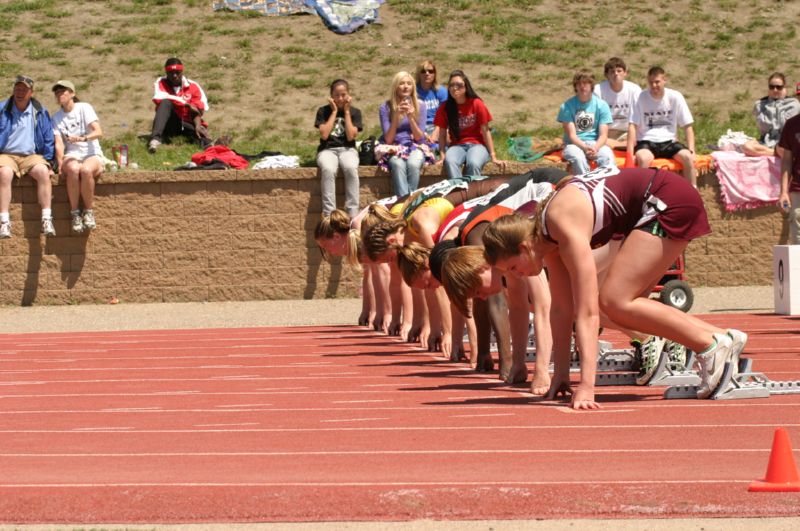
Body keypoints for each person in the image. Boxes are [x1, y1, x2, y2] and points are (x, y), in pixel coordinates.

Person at [480, 166, 748, 409]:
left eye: (514, 268)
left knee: (612, 301)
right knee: (619, 302)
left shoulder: (561, 224)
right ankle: (722, 337)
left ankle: (709, 346)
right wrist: (560, 374)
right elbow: (561, 310)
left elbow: (586, 313)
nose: (518, 276)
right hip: (658, 201)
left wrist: (587, 386)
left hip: (666, 200)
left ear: (524, 247)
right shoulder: (548, 242)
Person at [0, 75, 56, 239]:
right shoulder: (2, 109)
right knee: (4, 174)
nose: (20, 92)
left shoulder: (40, 111)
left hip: (31, 155)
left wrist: (49, 162)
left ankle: (46, 219)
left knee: (43, 172)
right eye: (17, 88)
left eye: (24, 89)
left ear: (31, 92)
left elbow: (48, 138)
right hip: (6, 154)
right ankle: (4, 222)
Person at [627, 66, 696, 186]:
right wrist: (630, 154)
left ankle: (693, 191)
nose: (654, 86)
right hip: (646, 141)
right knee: (643, 159)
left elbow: (688, 126)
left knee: (688, 157)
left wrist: (692, 150)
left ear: (665, 80)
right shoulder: (640, 97)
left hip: (669, 141)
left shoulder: (675, 96)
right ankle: (641, 193)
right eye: (651, 82)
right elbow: (632, 125)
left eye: (657, 82)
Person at [51, 80, 103, 234]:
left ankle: (88, 211)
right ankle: (75, 213)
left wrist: (83, 138)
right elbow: (59, 144)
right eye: (57, 92)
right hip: (72, 154)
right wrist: (60, 165)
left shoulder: (84, 108)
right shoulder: (56, 118)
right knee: (73, 169)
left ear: (72, 93)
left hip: (91, 153)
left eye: (63, 91)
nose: (59, 94)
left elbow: (98, 132)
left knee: (86, 170)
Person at [435, 70, 506, 180]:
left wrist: (493, 156)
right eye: (451, 85)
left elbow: (486, 131)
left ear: (466, 86)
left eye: (459, 85)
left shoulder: (476, 103)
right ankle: (459, 191)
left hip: (478, 145)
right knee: (450, 161)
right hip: (457, 145)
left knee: (473, 163)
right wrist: (442, 155)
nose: (455, 88)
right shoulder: (445, 107)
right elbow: (442, 133)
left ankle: (472, 193)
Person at [376, 71, 433, 197]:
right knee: (397, 164)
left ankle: (405, 204)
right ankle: (407, 203)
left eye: (409, 83)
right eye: (402, 83)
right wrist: (396, 117)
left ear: (413, 87)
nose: (406, 86)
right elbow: (389, 140)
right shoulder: (385, 107)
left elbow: (419, 138)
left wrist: (411, 117)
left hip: (415, 146)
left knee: (413, 164)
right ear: (396, 87)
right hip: (394, 146)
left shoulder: (420, 105)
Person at [315, 79, 362, 218]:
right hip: (327, 150)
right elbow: (324, 135)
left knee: (350, 168)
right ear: (331, 96)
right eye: (337, 95)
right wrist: (334, 112)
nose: (340, 98)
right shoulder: (323, 111)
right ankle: (329, 214)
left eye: (343, 94)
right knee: (329, 169)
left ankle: (353, 212)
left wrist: (346, 113)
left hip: (347, 149)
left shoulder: (355, 112)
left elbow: (350, 136)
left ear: (348, 95)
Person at [557, 70, 615, 175]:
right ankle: (584, 184)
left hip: (595, 143)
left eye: (586, 83)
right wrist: (584, 148)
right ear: (575, 86)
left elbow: (603, 135)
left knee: (608, 156)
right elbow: (572, 136)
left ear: (591, 85)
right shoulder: (566, 106)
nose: (583, 86)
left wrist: (595, 148)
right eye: (579, 83)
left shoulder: (602, 105)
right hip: (573, 144)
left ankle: (607, 184)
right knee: (578, 158)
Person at [148, 57, 211, 153]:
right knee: (165, 103)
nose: (174, 76)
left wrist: (198, 125)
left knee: (200, 133)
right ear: (166, 73)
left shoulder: (193, 86)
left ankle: (210, 146)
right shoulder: (161, 82)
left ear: (182, 71)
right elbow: (159, 97)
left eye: (177, 72)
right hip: (170, 123)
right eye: (171, 73)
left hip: (186, 123)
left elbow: (199, 109)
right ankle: (155, 140)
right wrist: (186, 104)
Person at [742, 73, 800, 158]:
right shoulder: (760, 104)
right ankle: (773, 153)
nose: (775, 90)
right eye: (771, 87)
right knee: (746, 146)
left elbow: (784, 127)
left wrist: (779, 102)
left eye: (779, 87)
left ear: (784, 88)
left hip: (783, 141)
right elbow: (764, 128)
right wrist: (772, 104)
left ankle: (766, 152)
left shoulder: (793, 103)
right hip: (766, 141)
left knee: (784, 149)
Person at [593, 57, 641, 149]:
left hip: (627, 132)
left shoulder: (635, 90)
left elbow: (639, 117)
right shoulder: (597, 90)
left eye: (619, 71)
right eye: (612, 71)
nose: (616, 74)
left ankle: (616, 146)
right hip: (605, 133)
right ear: (606, 74)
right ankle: (618, 146)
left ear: (625, 73)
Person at [778, 113, 800, 244]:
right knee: (798, 238)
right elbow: (786, 160)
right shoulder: (792, 124)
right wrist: (784, 192)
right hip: (798, 189)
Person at [415, 60, 447, 144]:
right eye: (423, 71)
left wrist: (436, 131)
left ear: (435, 74)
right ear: (419, 74)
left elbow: (446, 115)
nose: (427, 73)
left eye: (430, 71)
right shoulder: (413, 92)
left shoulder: (441, 91)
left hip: (438, 126)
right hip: (419, 127)